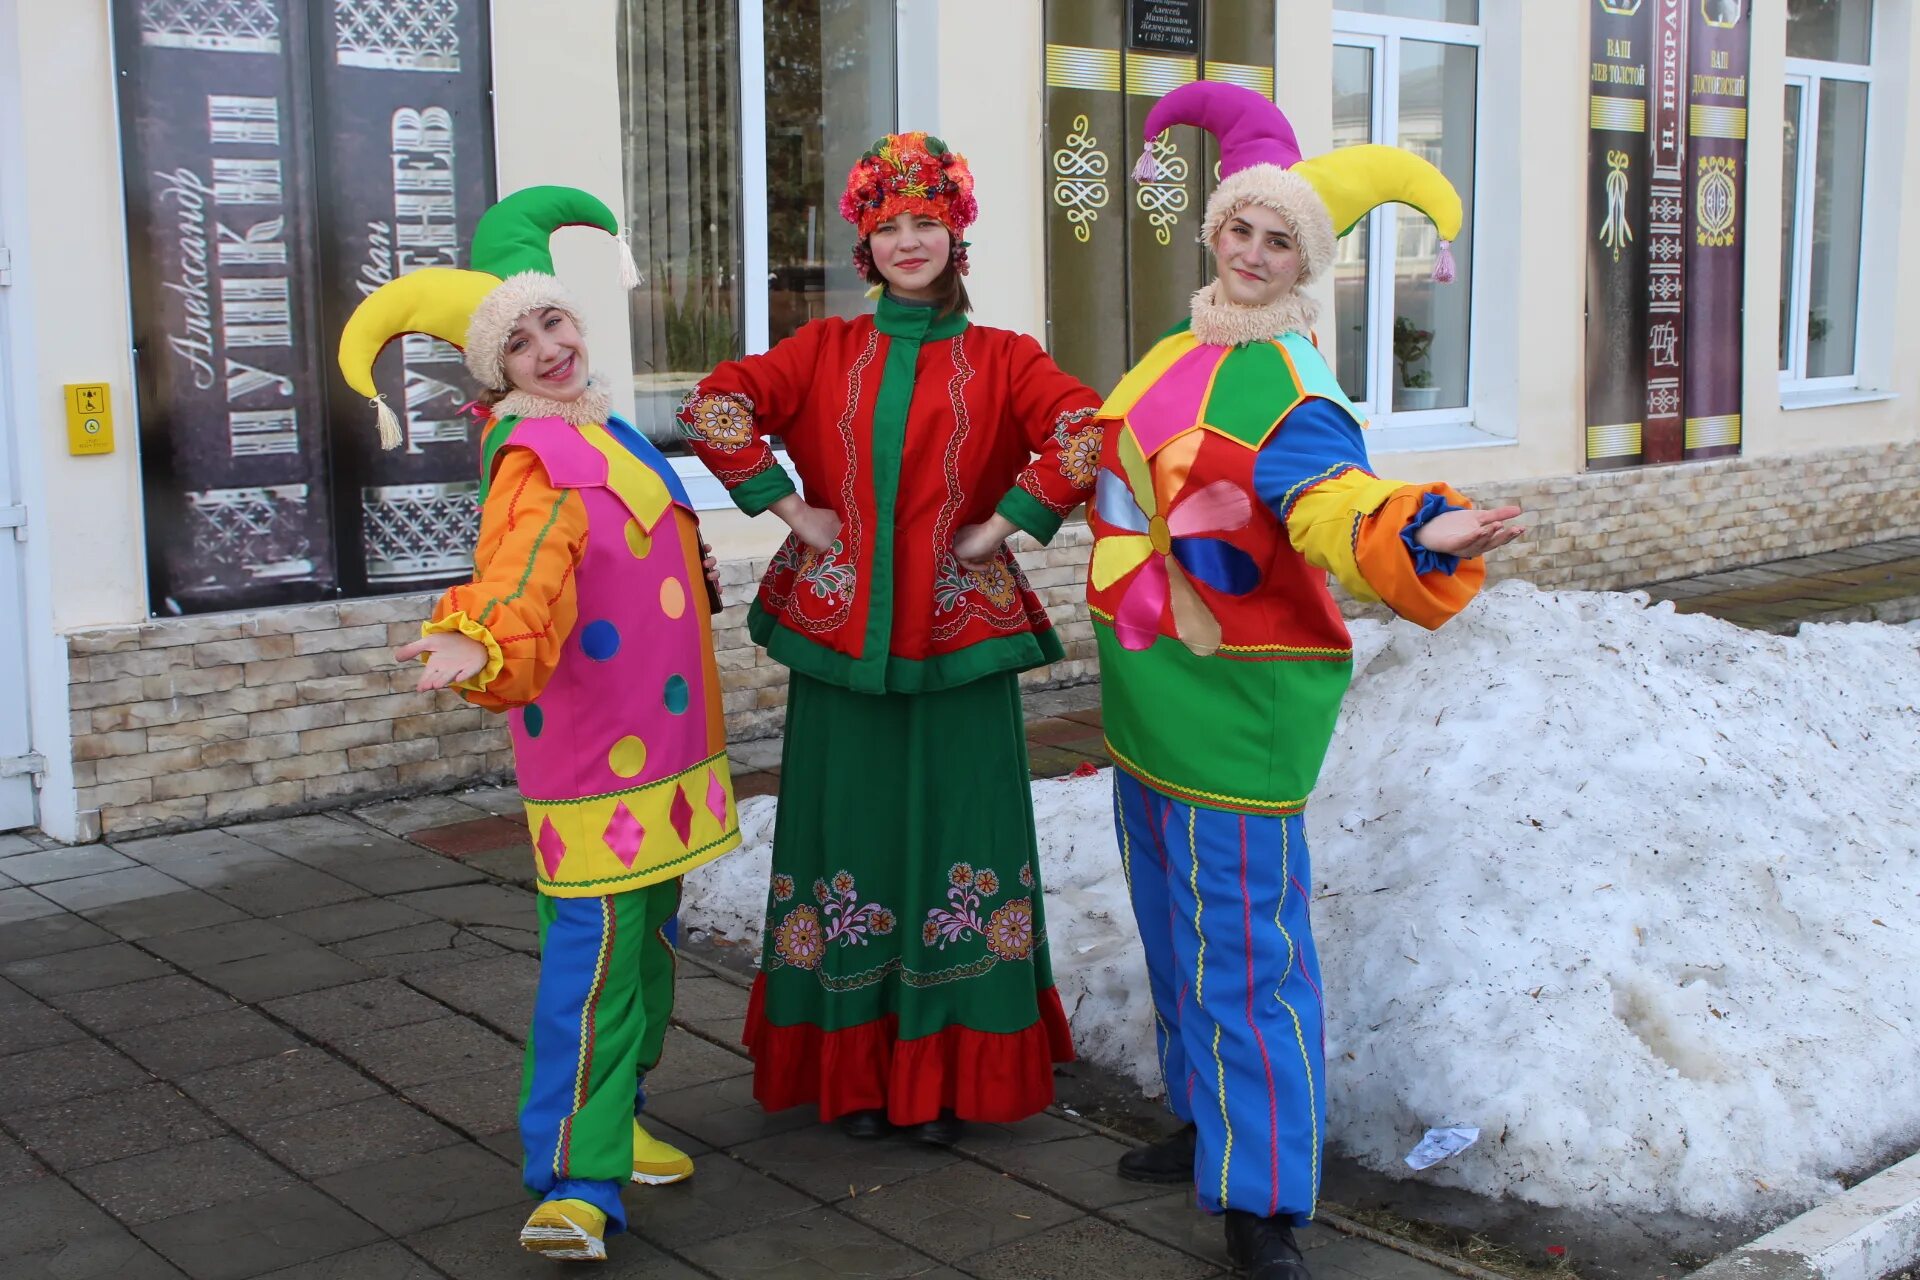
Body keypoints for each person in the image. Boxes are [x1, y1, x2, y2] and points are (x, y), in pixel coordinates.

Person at [1089, 84, 1525, 1279]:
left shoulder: (1295, 390)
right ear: (1214, 232)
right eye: (1241, 229)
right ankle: (1204, 1117)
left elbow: (1333, 505)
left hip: (1238, 706)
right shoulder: (1173, 349)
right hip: (1146, 693)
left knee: (1244, 950)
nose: (1252, 253)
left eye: (1280, 240)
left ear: (1305, 265)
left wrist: (1418, 534)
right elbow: (1116, 461)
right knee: (1172, 931)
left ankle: (1267, 1193)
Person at [338, 185, 740, 1264]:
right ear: (496, 372)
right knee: (598, 963)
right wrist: (479, 637)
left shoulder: (606, 429)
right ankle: (573, 1172)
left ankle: (622, 1115)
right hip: (598, 764)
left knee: (650, 953)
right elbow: (523, 572)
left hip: (666, 753)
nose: (548, 346)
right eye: (519, 342)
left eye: (552, 321)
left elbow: (653, 555)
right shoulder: (539, 458)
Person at [678, 132, 1099, 1143]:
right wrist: (791, 509)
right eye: (889, 226)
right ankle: (853, 1071)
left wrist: (1003, 524)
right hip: (840, 643)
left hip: (962, 640)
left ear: (957, 235)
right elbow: (714, 405)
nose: (910, 240)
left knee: (963, 837)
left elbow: (1088, 428)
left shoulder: (1006, 357)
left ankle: (956, 1071)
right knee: (847, 839)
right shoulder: (823, 351)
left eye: (927, 222)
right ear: (866, 247)